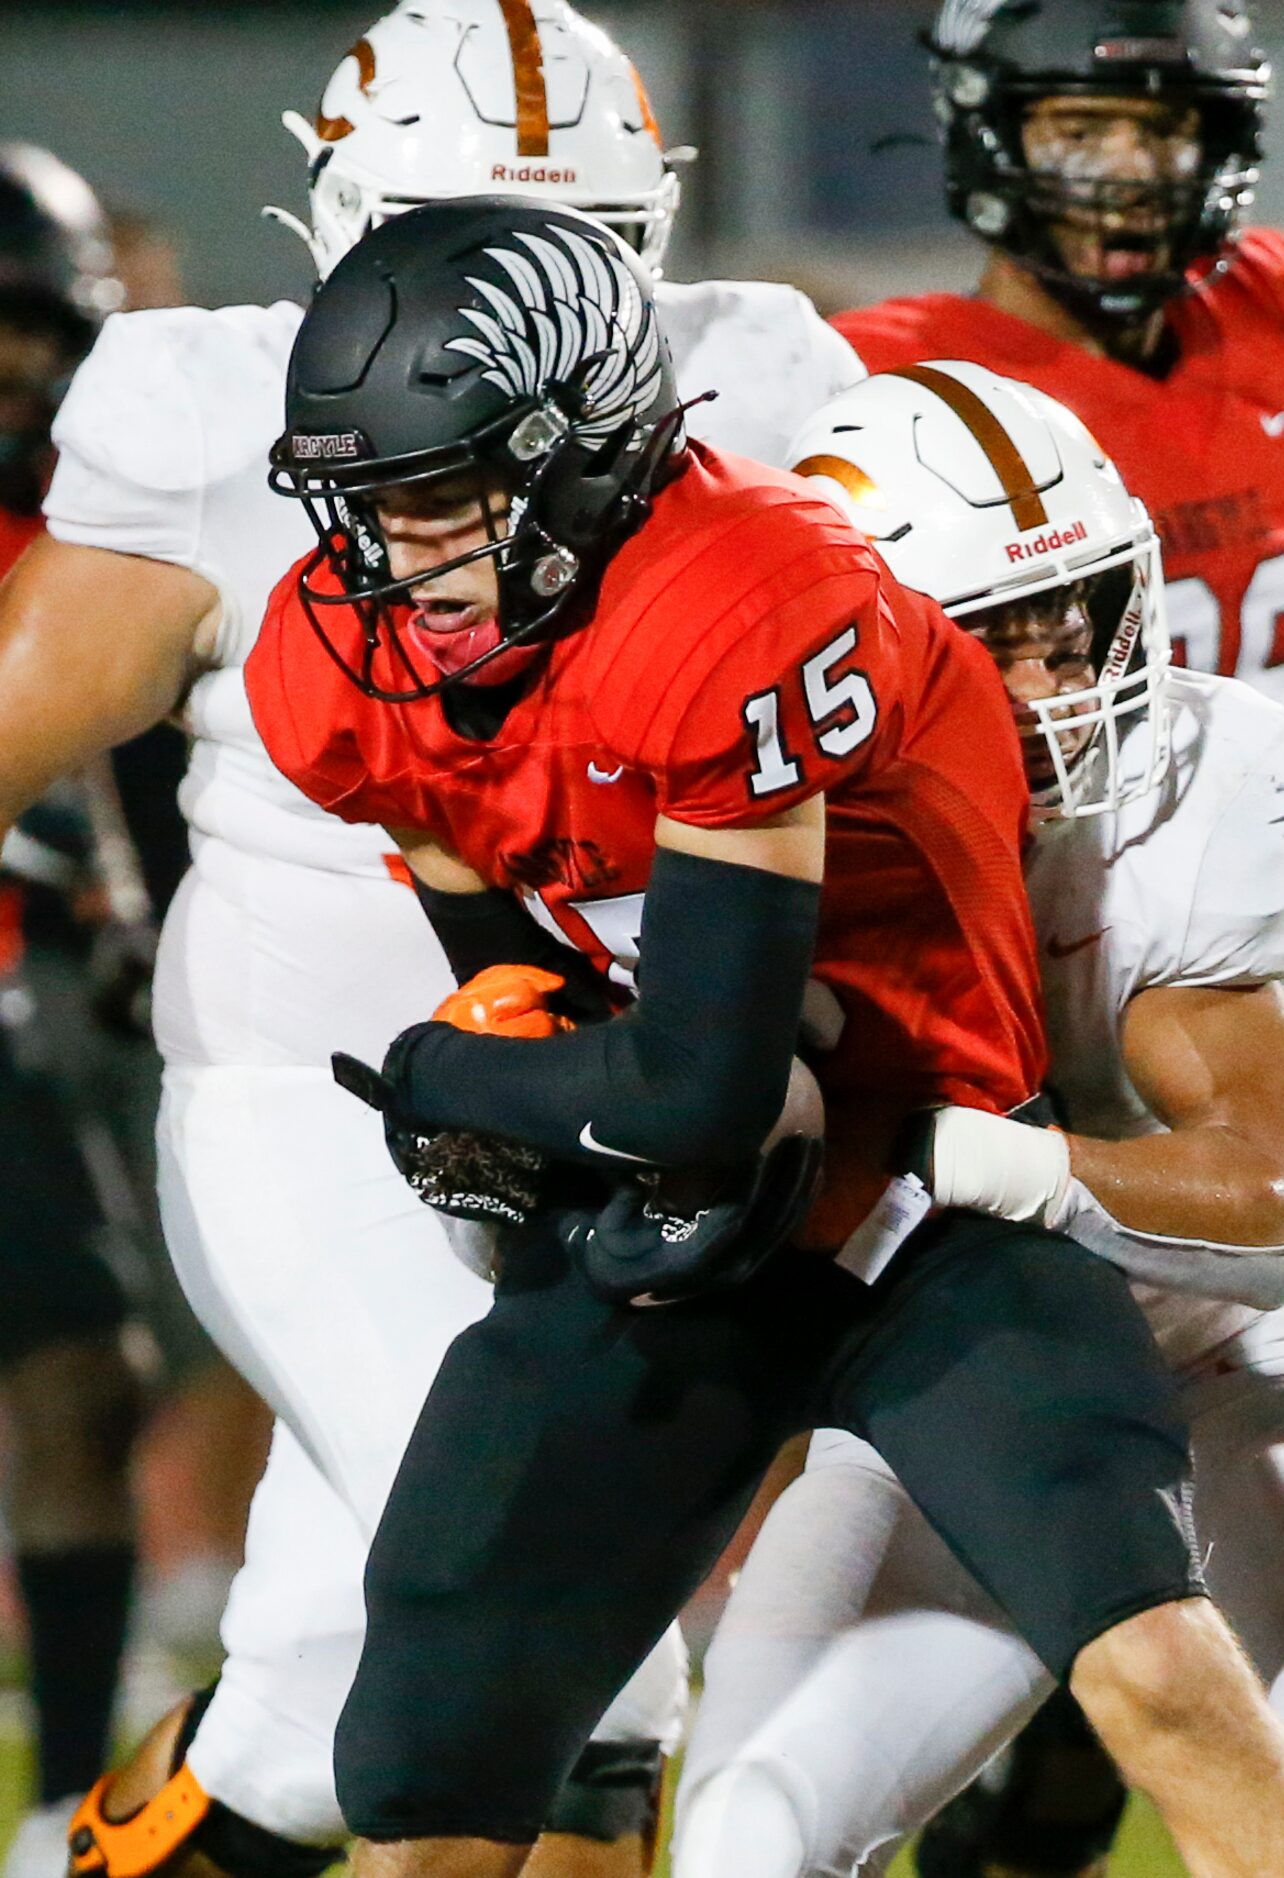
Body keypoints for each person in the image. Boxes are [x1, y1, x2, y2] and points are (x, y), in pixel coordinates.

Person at [244, 192, 1284, 1878]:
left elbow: (702, 1084)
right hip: (665, 1233)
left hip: (927, 1196)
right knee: (427, 1792)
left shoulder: (744, 597)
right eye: (370, 504)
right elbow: (514, 937)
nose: (391, 560)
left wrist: (445, 1080)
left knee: (1162, 1674)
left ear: (581, 456)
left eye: (436, 499)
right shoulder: (340, 658)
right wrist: (524, 1042)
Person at [0, 4, 861, 1874]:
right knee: (567, 1630)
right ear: (337, 220)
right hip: (323, 1111)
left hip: (619, 1113)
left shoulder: (768, 385)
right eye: (451, 239)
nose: (506, 308)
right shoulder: (218, 413)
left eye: (576, 252)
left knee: (328, 1704)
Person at [668, 361, 1284, 1878]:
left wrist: (990, 1158)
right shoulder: (756, 817)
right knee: (745, 1833)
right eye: (1001, 645)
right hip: (942, 1393)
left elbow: (1265, 1207)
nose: (1063, 686)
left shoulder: (1201, 789)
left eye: (1078, 622)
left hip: (1213, 1361)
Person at [827, 5, 1284, 1867]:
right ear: (983, 130)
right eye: (1083, 131)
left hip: (1207, 1017)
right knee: (1019, 1576)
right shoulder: (877, 396)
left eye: (1162, 129)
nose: (1128, 179)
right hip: (999, 1041)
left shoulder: (1267, 318)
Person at [0, 145, 144, 1878]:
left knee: (81, 1376)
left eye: (28, 333)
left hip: (27, 997)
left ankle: (66, 1810)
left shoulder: (116, 508)